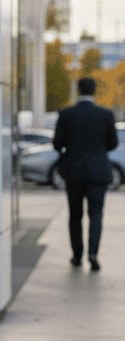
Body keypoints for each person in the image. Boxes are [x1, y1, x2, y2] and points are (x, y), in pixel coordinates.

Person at [52, 76, 119, 271]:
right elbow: (113, 143)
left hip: (73, 172)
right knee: (96, 214)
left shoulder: (66, 114)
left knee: (75, 215)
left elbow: (57, 143)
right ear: (94, 91)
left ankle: (77, 256)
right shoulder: (106, 115)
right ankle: (93, 253)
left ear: (79, 91)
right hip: (98, 171)